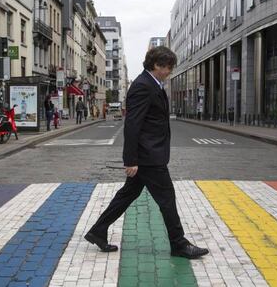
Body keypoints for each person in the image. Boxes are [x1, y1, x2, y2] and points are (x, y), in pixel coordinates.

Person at [84, 46, 209, 259]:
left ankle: (97, 231)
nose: (170, 71)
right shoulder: (143, 86)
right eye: (167, 67)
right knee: (167, 198)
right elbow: (132, 125)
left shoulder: (152, 84)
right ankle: (178, 244)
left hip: (148, 154)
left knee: (127, 194)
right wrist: (131, 159)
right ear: (156, 65)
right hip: (148, 156)